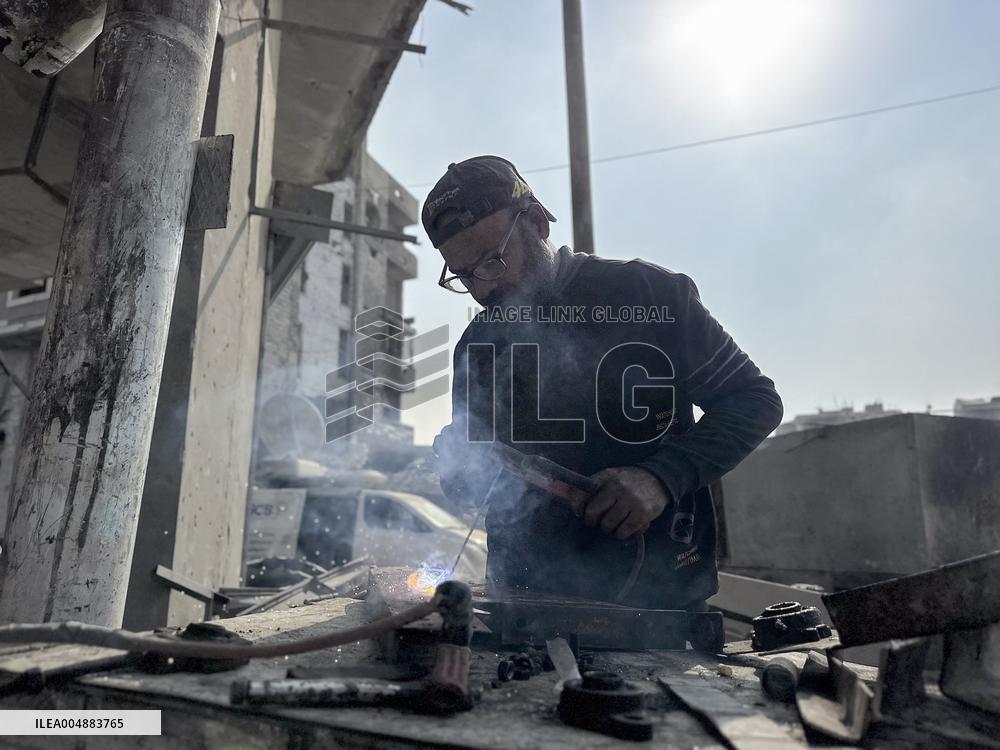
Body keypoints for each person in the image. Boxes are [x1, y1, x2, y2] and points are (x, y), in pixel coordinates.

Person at [426, 155, 782, 609]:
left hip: (658, 601)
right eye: (463, 275)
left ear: (536, 222)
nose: (482, 289)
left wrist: (660, 478)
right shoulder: (478, 347)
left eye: (493, 261)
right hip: (524, 602)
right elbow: (480, 491)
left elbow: (754, 400)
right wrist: (457, 468)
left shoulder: (649, 296)